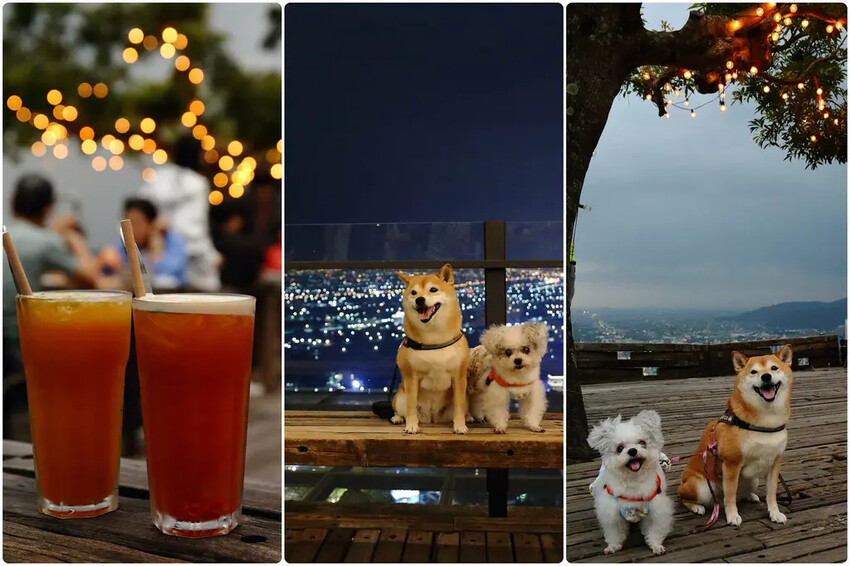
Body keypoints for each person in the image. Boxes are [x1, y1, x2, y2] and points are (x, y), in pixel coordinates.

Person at [2, 174, 102, 436]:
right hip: (17, 344)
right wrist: (72, 237)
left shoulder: (10, 235)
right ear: (48, 209)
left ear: (12, 201)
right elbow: (93, 278)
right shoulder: (45, 241)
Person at [138, 134, 221, 291]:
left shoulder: (156, 179)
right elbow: (196, 228)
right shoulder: (198, 184)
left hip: (157, 252)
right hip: (186, 257)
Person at [101, 198, 187, 291]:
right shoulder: (123, 242)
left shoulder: (171, 238)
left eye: (136, 223)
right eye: (127, 225)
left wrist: (156, 244)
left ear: (151, 223)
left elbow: (169, 272)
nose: (131, 229)